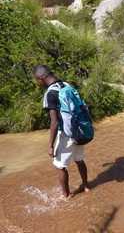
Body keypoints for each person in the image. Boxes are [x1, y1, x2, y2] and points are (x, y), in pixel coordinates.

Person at [33, 65, 90, 198]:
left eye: (37, 80)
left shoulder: (50, 93)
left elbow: (55, 122)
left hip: (65, 134)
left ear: (41, 78)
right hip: (79, 130)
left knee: (60, 166)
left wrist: (50, 145)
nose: (38, 83)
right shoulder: (67, 85)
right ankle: (86, 186)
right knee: (79, 160)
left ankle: (66, 195)